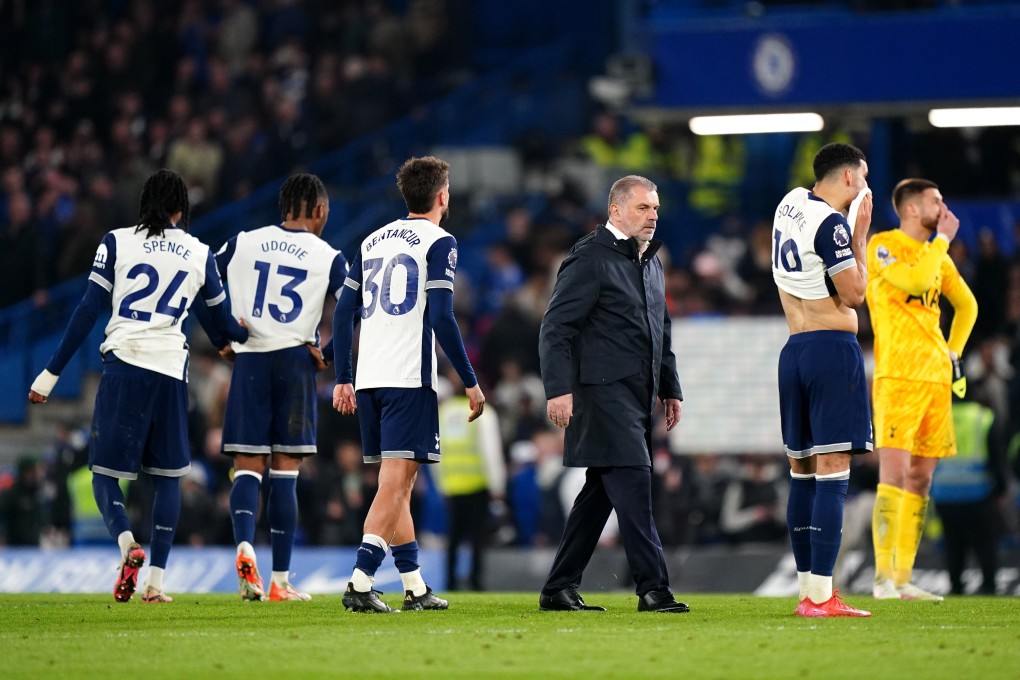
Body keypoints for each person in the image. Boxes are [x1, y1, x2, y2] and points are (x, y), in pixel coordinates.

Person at [28, 169, 248, 603]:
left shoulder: (116, 242)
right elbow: (217, 321)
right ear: (181, 209)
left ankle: (128, 544)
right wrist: (234, 339)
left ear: (144, 205)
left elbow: (88, 310)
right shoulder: (198, 252)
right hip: (170, 371)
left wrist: (50, 373)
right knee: (167, 478)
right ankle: (155, 583)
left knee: (104, 474)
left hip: (125, 365)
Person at [332, 156, 485, 613]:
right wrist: (470, 381)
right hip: (407, 378)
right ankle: (360, 581)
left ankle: (414, 586)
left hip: (369, 379)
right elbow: (440, 315)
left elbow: (342, 312)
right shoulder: (440, 241)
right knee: (397, 485)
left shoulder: (372, 239)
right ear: (442, 195)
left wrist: (343, 377)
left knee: (395, 483)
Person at [537, 174, 689, 614]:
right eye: (643, 208)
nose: (653, 216)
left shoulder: (650, 262)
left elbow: (661, 330)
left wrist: (670, 387)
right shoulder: (590, 258)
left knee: (598, 495)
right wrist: (558, 389)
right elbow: (555, 328)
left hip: (637, 396)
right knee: (635, 483)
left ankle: (558, 587)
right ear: (616, 210)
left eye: (656, 208)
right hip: (601, 395)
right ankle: (653, 588)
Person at [212, 173, 347, 602]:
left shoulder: (242, 242)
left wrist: (223, 335)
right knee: (286, 472)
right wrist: (327, 354)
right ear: (320, 211)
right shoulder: (329, 255)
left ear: (282, 209)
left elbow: (202, 281)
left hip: (249, 356)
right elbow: (351, 308)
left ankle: (244, 547)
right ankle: (280, 582)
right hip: (294, 361)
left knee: (247, 467)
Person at [772, 143, 873, 618]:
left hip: (793, 350)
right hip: (831, 352)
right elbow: (854, 295)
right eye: (864, 177)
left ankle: (807, 591)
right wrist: (860, 235)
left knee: (802, 474)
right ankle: (821, 597)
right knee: (833, 473)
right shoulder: (833, 224)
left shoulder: (788, 203)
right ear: (849, 178)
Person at [867, 178, 979, 601]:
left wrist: (953, 353)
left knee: (921, 479)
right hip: (898, 376)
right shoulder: (884, 246)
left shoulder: (936, 255)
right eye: (936, 201)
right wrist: (942, 243)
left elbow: (967, 305)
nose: (943, 207)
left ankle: (902, 578)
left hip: (935, 378)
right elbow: (915, 283)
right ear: (912, 208)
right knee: (893, 474)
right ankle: (881, 579)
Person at [432, 366, 507, 591]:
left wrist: (441, 485)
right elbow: (490, 451)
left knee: (453, 539)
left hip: (452, 486)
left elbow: (437, 452)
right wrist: (497, 485)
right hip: (477, 484)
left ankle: (450, 582)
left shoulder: (443, 413)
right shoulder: (483, 411)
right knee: (477, 538)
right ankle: (476, 582)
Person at [930, 388, 1008, 595]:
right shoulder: (984, 418)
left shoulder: (938, 418)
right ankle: (989, 586)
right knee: (985, 544)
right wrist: (1001, 489)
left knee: (953, 546)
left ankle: (955, 586)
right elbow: (997, 459)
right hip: (979, 495)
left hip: (945, 495)